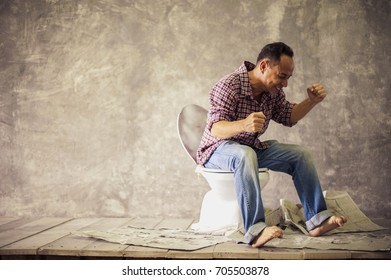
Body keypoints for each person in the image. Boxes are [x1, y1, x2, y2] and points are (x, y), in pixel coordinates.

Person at [196, 42, 347, 248]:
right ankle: (255, 230)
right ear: (264, 66)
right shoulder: (229, 86)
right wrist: (244, 124)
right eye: (282, 76)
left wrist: (310, 101)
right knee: (244, 155)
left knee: (300, 155)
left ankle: (317, 219)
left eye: (288, 78)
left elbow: (288, 115)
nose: (285, 84)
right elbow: (215, 129)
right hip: (216, 150)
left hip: (249, 148)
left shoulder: (271, 92)